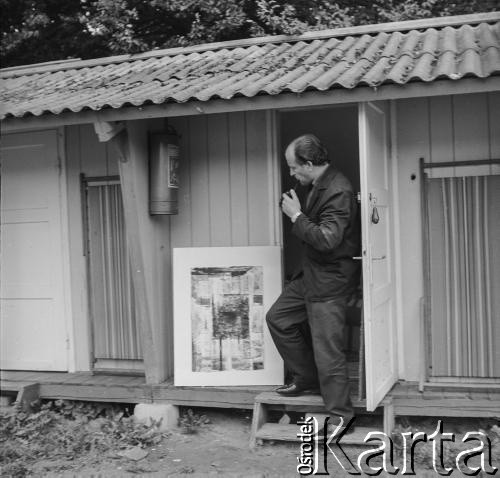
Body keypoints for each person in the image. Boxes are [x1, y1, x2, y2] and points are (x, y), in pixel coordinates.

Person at [266, 133, 360, 432]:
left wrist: (296, 216)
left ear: (308, 164)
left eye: (294, 167)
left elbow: (327, 238)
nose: (291, 173)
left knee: (328, 350)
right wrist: (296, 208)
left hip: (330, 279)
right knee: (278, 319)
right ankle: (306, 378)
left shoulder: (339, 189)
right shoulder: (314, 183)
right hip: (310, 275)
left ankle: (341, 416)